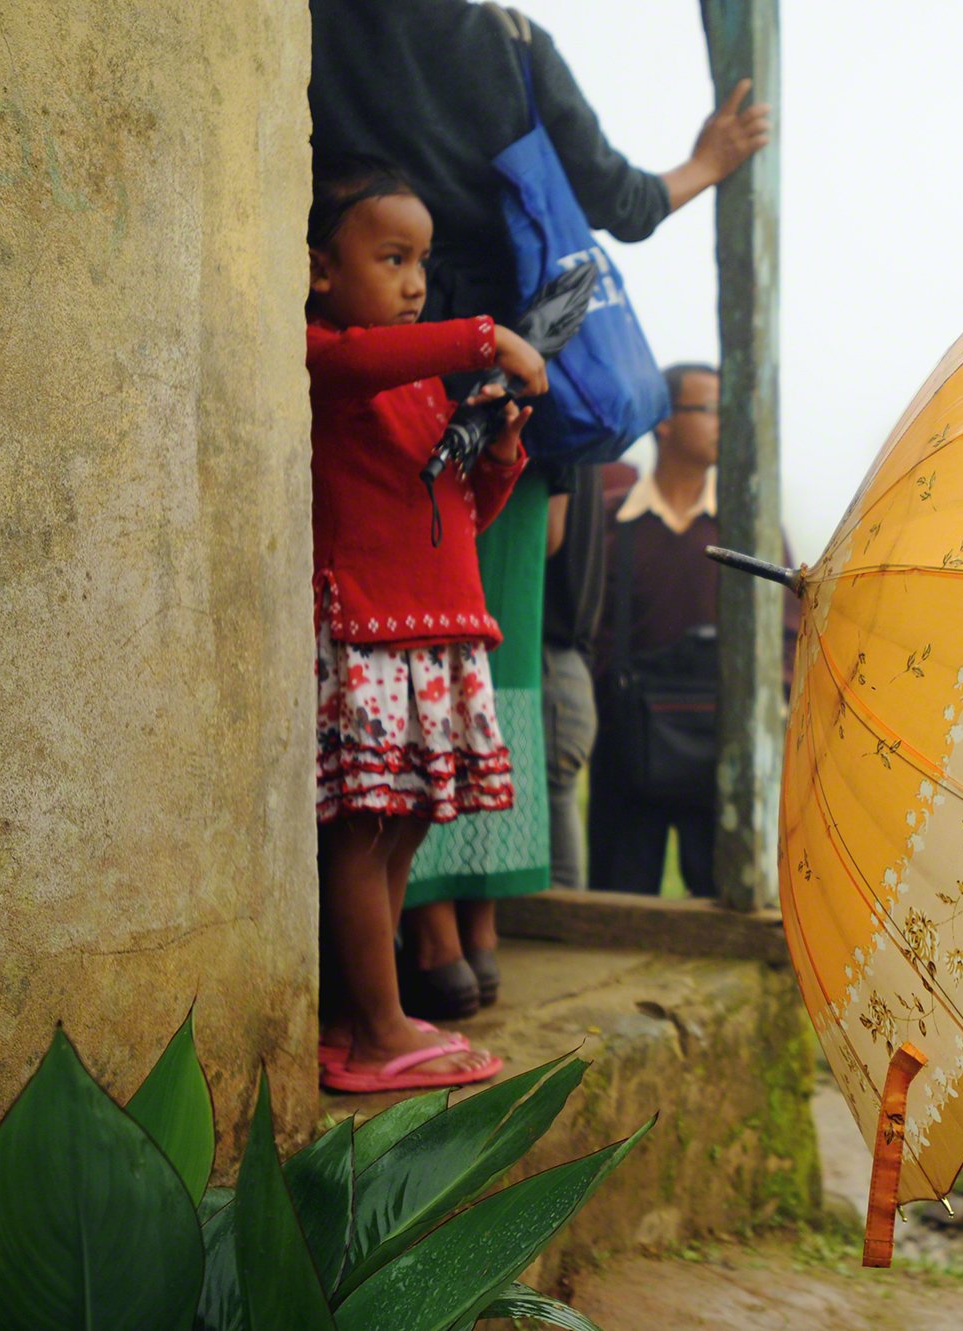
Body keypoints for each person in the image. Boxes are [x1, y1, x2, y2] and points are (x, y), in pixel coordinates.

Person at [309, 0, 771, 1013]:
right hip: (502, 375)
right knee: (488, 661)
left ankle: (423, 938)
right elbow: (618, 200)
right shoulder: (505, 38)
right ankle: (476, 923)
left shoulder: (308, 25)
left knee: (378, 673)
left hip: (346, 386)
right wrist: (706, 161)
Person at [304, 156, 549, 1094]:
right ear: (323, 270)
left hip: (435, 634)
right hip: (370, 635)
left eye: (423, 261)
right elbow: (367, 357)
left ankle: (354, 1015)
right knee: (365, 837)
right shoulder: (332, 357)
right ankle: (378, 1025)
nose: (414, 283)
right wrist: (486, 338)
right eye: (392, 258)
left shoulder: (414, 390)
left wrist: (498, 443)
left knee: (401, 831)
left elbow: (460, 512)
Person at [588, 364, 798, 897]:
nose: (725, 424)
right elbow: (588, 631)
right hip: (626, 747)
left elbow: (790, 627)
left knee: (727, 902)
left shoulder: (752, 525)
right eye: (709, 410)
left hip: (724, 745)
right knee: (618, 902)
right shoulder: (613, 522)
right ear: (664, 420)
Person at [539, 459, 606, 891]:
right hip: (571, 667)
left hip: (549, 661)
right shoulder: (590, 441)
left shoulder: (560, 435)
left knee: (554, 813)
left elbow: (547, 536)